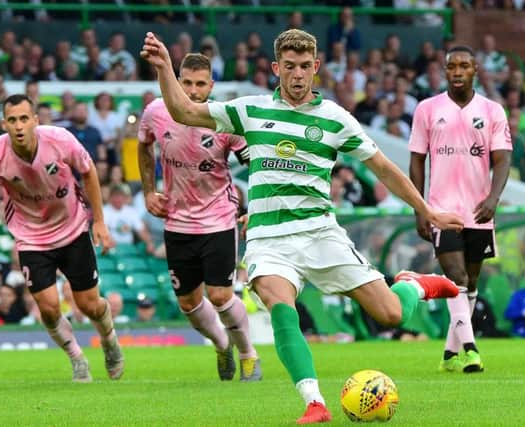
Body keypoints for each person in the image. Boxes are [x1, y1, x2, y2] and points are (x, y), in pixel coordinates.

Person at [141, 29, 463, 424]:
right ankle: (314, 402)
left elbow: (382, 168)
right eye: (289, 66)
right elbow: (184, 112)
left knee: (391, 315)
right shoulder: (250, 110)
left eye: (305, 67)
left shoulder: (335, 119)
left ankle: (411, 283)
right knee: (281, 307)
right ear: (277, 68)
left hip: (320, 233)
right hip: (269, 240)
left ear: (316, 68)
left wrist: (427, 210)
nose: (297, 75)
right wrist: (164, 69)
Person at [0, 95, 124, 382]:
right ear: (3, 124)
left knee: (89, 305)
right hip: (31, 238)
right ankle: (77, 358)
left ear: (35, 120)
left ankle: (109, 341)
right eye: (12, 120)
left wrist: (100, 222)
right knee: (48, 307)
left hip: (73, 228)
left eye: (24, 118)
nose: (19, 126)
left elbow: (89, 171)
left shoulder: (60, 139)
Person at [138, 53, 262, 382]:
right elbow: (143, 145)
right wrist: (149, 191)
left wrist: (255, 207)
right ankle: (222, 345)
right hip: (177, 221)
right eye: (187, 83)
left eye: (200, 84)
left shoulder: (224, 119)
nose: (193, 91)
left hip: (219, 218)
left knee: (220, 295)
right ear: (178, 82)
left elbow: (255, 164)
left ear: (211, 85)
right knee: (188, 304)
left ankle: (248, 352)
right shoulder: (156, 112)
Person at [408, 45, 512, 374]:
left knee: (472, 283)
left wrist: (493, 199)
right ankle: (471, 348)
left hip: (479, 211)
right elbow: (416, 161)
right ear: (444, 69)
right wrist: (420, 209)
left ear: (475, 69)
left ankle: (450, 353)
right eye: (451, 66)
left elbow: (503, 159)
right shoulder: (427, 109)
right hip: (441, 211)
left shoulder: (492, 110)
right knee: (457, 278)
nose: (456, 72)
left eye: (463, 66)